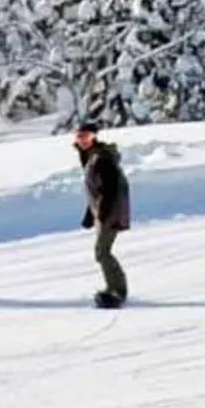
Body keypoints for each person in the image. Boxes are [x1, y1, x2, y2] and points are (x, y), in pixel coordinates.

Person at [74, 118, 131, 309]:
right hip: (104, 211)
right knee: (102, 252)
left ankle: (118, 291)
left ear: (94, 137)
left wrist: (104, 212)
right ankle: (114, 288)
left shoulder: (101, 158)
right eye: (80, 136)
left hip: (111, 211)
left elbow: (110, 188)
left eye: (87, 136)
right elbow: (95, 189)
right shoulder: (91, 156)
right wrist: (90, 214)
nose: (82, 140)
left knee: (102, 252)